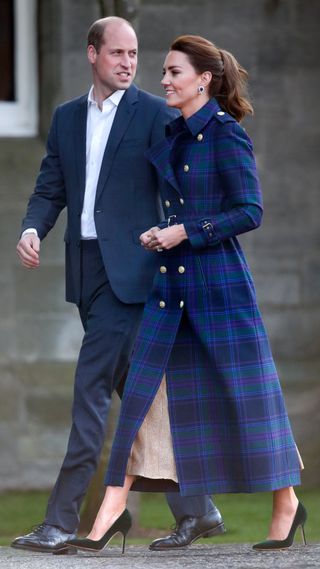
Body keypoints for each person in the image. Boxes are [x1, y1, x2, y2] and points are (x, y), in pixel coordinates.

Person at [65, 34, 307, 555]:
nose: (163, 80)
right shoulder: (174, 135)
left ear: (203, 79)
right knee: (146, 398)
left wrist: (183, 231)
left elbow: (250, 211)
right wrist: (160, 231)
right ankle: (111, 508)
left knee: (249, 399)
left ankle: (286, 502)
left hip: (220, 288)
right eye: (165, 71)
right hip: (170, 286)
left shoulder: (226, 136)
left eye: (174, 72)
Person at [12, 21, 224, 554]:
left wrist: (178, 237)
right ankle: (199, 509)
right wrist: (33, 228)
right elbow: (50, 187)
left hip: (133, 275)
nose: (128, 63)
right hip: (86, 274)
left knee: (89, 394)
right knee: (141, 397)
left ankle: (60, 521)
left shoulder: (155, 114)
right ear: (93, 54)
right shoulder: (65, 118)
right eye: (118, 53)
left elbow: (183, 180)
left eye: (134, 54)